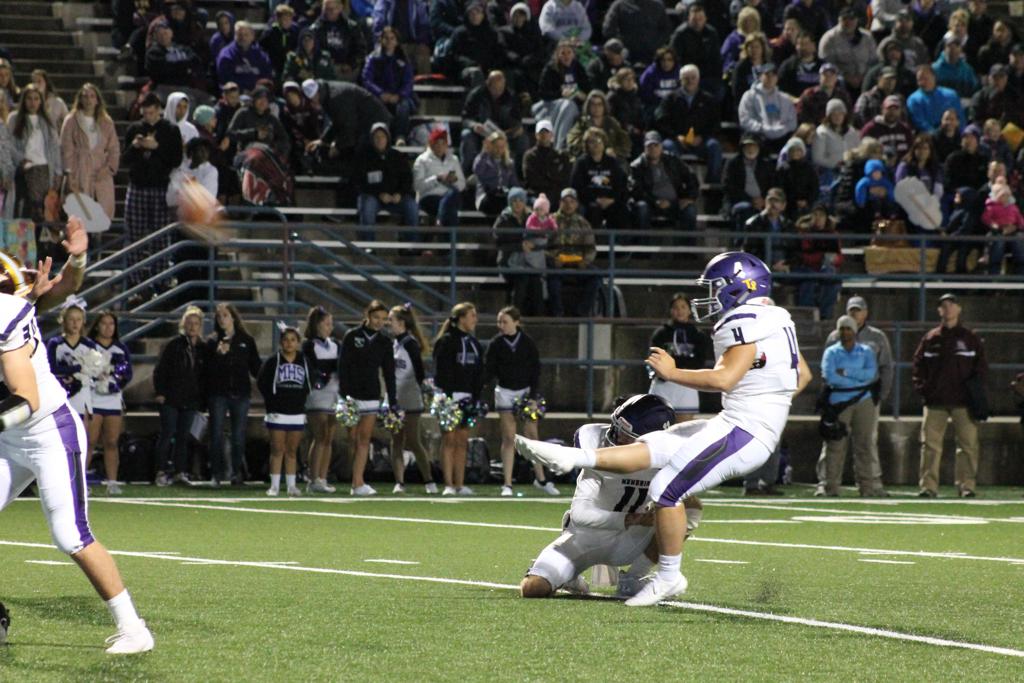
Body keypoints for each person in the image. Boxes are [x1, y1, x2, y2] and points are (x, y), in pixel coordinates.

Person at [517, 251, 812, 606]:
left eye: (715, 287)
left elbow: (724, 378)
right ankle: (572, 457)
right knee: (659, 443)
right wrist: (771, 402)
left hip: (744, 428)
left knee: (665, 489)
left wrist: (673, 373)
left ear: (738, 287)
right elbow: (802, 375)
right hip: (742, 421)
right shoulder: (775, 317)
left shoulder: (743, 319)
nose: (709, 296)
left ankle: (669, 576)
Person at [0, 262, 154, 654]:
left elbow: (27, 399)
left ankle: (133, 628)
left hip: (48, 431)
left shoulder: (4, 317)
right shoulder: (15, 306)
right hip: (9, 438)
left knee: (70, 534)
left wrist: (76, 265)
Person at [520, 395, 706, 599]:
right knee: (533, 588)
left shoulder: (670, 459)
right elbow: (580, 514)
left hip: (631, 541)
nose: (615, 437)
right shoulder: (597, 447)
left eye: (626, 435)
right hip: (585, 539)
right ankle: (569, 576)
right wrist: (630, 519)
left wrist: (655, 514)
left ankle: (634, 577)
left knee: (690, 506)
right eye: (617, 428)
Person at [815, 295, 893, 496]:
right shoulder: (833, 342)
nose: (855, 315)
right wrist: (854, 380)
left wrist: (878, 394)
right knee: (834, 442)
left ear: (865, 313)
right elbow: (829, 374)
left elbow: (876, 372)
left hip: (866, 399)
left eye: (858, 311)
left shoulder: (873, 341)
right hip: (838, 401)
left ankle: (870, 485)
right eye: (851, 311)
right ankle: (827, 484)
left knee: (866, 443)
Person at [912, 294, 987, 498]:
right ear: (939, 311)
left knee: (968, 445)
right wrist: (924, 389)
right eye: (944, 305)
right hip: (935, 401)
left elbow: (981, 368)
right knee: (930, 445)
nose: (948, 309)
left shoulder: (970, 338)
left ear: (959, 309)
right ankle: (928, 487)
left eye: (952, 305)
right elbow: (918, 366)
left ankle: (966, 486)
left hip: (963, 401)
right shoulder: (930, 338)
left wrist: (974, 393)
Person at [485, 306, 558, 496]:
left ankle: (541, 479)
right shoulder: (496, 343)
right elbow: (489, 371)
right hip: (504, 392)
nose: (501, 325)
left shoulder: (527, 342)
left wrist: (533, 397)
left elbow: (535, 371)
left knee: (532, 436)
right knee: (509, 438)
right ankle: (507, 484)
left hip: (525, 392)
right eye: (499, 321)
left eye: (505, 321)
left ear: (516, 322)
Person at [121, 93, 182, 297]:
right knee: (134, 236)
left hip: (160, 188)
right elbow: (125, 159)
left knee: (160, 238)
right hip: (137, 186)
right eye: (145, 113)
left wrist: (157, 147)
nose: (148, 116)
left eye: (151, 112)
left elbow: (176, 159)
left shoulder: (170, 130)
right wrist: (135, 146)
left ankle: (161, 281)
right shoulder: (134, 129)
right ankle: (135, 282)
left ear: (159, 110)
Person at [339, 300, 398, 496]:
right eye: (376, 317)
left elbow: (389, 372)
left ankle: (358, 482)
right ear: (367, 315)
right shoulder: (352, 336)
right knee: (353, 438)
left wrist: (392, 398)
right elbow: (343, 366)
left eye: (383, 319)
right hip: (351, 395)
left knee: (364, 439)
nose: (379, 322)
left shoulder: (385, 342)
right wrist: (343, 394)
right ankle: (353, 477)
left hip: (372, 394)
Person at [205, 303, 260, 486]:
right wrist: (219, 355)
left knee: (238, 435)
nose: (222, 319)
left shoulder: (246, 340)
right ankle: (216, 474)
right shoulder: (212, 341)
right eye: (219, 316)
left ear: (233, 318)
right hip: (218, 393)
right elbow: (207, 370)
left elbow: (256, 368)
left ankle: (237, 473)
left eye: (225, 315)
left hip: (240, 393)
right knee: (216, 434)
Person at [432, 302, 485, 495]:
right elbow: (441, 372)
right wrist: (447, 397)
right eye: (472, 316)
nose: (475, 320)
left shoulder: (474, 344)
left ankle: (460, 484)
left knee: (463, 441)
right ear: (461, 318)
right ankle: (448, 484)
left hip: (468, 397)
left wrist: (476, 397)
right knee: (449, 440)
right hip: (449, 397)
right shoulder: (446, 341)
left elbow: (479, 373)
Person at [153, 306, 207, 486]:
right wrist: (160, 392)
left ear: (200, 326)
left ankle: (180, 472)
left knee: (183, 437)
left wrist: (201, 400)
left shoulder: (202, 348)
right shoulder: (174, 345)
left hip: (190, 400)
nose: (192, 327)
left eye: (196, 323)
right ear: (183, 324)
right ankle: (160, 471)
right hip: (171, 398)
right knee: (167, 433)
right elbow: (160, 370)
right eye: (189, 323)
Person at [8, 85, 63, 258]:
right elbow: (9, 144)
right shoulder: (15, 119)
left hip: (44, 170)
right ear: (24, 100)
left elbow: (54, 148)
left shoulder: (47, 121)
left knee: (44, 212)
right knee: (26, 212)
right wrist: (20, 160)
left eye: (36, 99)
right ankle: (24, 254)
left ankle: (42, 253)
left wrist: (58, 172)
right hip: (24, 171)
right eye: (29, 99)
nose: (33, 102)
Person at [388, 304, 437, 494]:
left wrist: (423, 392)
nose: (389, 323)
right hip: (394, 398)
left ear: (401, 322)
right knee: (396, 441)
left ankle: (429, 481)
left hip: (410, 397)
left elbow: (419, 373)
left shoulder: (410, 344)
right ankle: (399, 482)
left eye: (391, 320)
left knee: (413, 440)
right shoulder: (394, 344)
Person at [257, 324, 311, 497]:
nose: (289, 343)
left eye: (293, 340)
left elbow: (310, 381)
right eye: (286, 340)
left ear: (298, 342)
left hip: (296, 411)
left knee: (292, 450)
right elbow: (261, 382)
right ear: (281, 342)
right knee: (277, 449)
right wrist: (272, 401)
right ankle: (274, 486)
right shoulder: (273, 361)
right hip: (277, 411)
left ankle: (291, 486)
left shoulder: (304, 360)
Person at [86, 311, 132, 496]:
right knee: (89, 441)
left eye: (111, 324)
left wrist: (115, 383)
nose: (108, 327)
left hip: (113, 400)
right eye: (104, 323)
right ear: (97, 326)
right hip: (92, 398)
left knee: (112, 442)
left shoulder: (121, 348)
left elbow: (128, 373)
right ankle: (81, 482)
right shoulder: (89, 346)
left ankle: (112, 482)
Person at [654, 65, 723, 183]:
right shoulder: (670, 99)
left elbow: (715, 123)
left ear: (698, 79)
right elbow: (660, 120)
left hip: (701, 141)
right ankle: (675, 183)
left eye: (693, 78)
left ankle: (713, 185)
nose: (690, 81)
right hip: (677, 141)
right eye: (686, 78)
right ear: (680, 80)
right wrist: (676, 136)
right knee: (667, 146)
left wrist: (702, 136)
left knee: (714, 146)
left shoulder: (708, 99)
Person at [60, 83, 119, 222]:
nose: (88, 100)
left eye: (92, 96)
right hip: (79, 169)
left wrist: (109, 168)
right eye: (85, 96)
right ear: (80, 99)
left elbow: (114, 148)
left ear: (97, 100)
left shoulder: (106, 122)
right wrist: (69, 173)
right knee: (80, 215)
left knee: (101, 212)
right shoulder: (71, 120)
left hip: (100, 171)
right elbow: (66, 148)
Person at [648, 294, 712, 420]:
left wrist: (673, 363)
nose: (680, 311)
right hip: (663, 384)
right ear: (671, 310)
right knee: (658, 426)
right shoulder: (661, 333)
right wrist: (682, 363)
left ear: (689, 310)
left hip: (687, 385)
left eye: (683, 307)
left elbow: (699, 362)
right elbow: (655, 359)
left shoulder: (698, 335)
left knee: (684, 427)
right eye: (676, 307)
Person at [353, 122, 418, 241]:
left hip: (396, 198)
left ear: (387, 138)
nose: (380, 140)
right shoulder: (363, 157)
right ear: (371, 139)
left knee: (411, 206)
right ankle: (368, 245)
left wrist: (400, 194)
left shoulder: (398, 156)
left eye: (382, 136)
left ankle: (412, 245)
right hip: (373, 196)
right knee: (367, 206)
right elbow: (359, 182)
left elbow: (407, 179)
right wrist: (379, 194)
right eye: (376, 137)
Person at [629, 131, 699, 236]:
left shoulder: (673, 160)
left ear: (661, 146)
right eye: (649, 146)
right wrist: (655, 202)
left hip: (674, 203)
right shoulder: (637, 166)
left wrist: (689, 198)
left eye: (656, 145)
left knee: (690, 210)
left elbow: (691, 178)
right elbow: (636, 191)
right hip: (651, 204)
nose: (653, 149)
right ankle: (643, 244)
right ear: (644, 148)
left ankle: (687, 246)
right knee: (642, 208)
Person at [301, 306, 340, 494]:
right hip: (317, 394)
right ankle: (313, 478)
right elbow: (311, 368)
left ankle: (323, 478)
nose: (330, 327)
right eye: (326, 324)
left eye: (331, 324)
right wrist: (325, 373)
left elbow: (342, 366)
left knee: (329, 437)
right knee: (320, 435)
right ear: (316, 324)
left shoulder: (336, 344)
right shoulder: (309, 345)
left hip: (334, 392)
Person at [546, 188, 600, 317]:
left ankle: (582, 313)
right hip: (557, 264)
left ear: (576, 204)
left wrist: (585, 261)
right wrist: (552, 259)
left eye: (572, 201)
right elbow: (541, 246)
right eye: (565, 201)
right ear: (560, 203)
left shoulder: (583, 223)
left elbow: (591, 248)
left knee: (596, 276)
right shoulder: (550, 221)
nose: (568, 205)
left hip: (578, 264)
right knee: (552, 278)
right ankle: (558, 313)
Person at [783, 204, 843, 319]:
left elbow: (839, 256)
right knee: (809, 281)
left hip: (824, 269)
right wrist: (821, 257)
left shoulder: (833, 235)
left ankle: (825, 316)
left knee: (833, 280)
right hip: (805, 268)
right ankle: (807, 317)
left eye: (821, 215)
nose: (818, 218)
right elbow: (802, 256)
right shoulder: (804, 233)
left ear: (826, 218)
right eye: (815, 215)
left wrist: (835, 259)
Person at [569, 127, 630, 235]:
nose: (596, 144)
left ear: (604, 142)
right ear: (586, 145)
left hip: (611, 200)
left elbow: (621, 184)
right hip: (589, 201)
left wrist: (612, 199)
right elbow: (577, 186)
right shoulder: (581, 163)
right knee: (593, 210)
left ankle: (619, 244)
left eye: (598, 140)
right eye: (592, 141)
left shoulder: (612, 162)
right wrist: (595, 199)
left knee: (622, 211)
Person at [362, 26, 417, 144]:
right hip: (379, 96)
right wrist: (380, 93)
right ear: (381, 40)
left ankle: (400, 136)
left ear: (396, 41)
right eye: (386, 38)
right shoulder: (373, 58)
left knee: (404, 105)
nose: (389, 41)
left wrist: (399, 95)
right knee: (375, 105)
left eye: (392, 38)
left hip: (399, 97)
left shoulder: (404, 59)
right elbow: (367, 80)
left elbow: (408, 82)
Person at [494, 187, 545, 314]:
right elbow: (500, 242)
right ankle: (514, 315)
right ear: (510, 203)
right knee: (522, 277)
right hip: (508, 261)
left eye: (520, 200)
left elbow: (542, 237)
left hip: (529, 261)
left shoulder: (532, 217)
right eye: (514, 201)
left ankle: (539, 318)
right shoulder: (503, 219)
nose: (517, 203)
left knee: (536, 280)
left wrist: (532, 244)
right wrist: (519, 245)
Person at [46, 299, 98, 422]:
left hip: (83, 395)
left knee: (82, 431)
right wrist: (78, 368)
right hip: (60, 394)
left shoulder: (88, 344)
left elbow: (94, 370)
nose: (75, 323)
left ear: (83, 321)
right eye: (71, 319)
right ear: (63, 320)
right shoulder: (55, 343)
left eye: (78, 319)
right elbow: (52, 369)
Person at [533, 40, 590, 150]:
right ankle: (560, 144)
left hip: (576, 103)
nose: (566, 56)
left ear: (573, 54)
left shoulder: (578, 67)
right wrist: (560, 94)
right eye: (563, 53)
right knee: (568, 106)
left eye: (569, 52)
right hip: (553, 105)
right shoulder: (551, 68)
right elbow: (543, 93)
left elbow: (587, 89)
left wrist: (580, 94)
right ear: (557, 54)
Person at [412, 127, 466, 234]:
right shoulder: (422, 160)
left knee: (453, 193)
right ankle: (450, 243)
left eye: (443, 143)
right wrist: (437, 179)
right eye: (437, 143)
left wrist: (453, 180)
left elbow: (462, 184)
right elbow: (417, 186)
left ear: (446, 145)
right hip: (429, 197)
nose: (440, 147)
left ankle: (440, 221)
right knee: (451, 212)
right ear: (431, 144)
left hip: (451, 197)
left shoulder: (453, 159)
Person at [738, 63, 797, 152]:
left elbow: (792, 122)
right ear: (760, 77)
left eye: (773, 75)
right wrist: (762, 128)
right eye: (767, 75)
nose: (770, 78)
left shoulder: (785, 98)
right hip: (758, 135)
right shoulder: (749, 96)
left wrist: (782, 129)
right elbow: (744, 120)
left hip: (782, 136)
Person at [670, 3, 723, 101]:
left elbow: (716, 58)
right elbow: (675, 59)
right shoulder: (680, 34)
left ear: (705, 18)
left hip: (707, 76)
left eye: (700, 19)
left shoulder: (711, 33)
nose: (698, 22)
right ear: (688, 19)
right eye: (694, 20)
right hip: (688, 75)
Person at [818, 7, 878, 93]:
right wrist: (847, 77)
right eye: (845, 19)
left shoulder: (867, 37)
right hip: (839, 79)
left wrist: (864, 76)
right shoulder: (829, 38)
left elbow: (873, 61)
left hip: (864, 78)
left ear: (857, 20)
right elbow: (827, 62)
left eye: (852, 19)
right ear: (839, 20)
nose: (848, 22)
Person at [723, 134, 774, 233]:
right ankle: (742, 240)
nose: (751, 149)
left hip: (764, 201)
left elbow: (773, 184)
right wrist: (751, 200)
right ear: (742, 148)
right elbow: (728, 187)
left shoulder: (767, 165)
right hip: (738, 200)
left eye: (754, 146)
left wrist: (764, 199)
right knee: (745, 208)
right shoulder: (733, 164)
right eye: (748, 146)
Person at [565, 90, 631, 162]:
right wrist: (590, 148)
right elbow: (572, 142)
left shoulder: (611, 122)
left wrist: (615, 151)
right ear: (588, 106)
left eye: (599, 104)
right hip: (587, 160)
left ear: (604, 106)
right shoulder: (582, 123)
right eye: (593, 104)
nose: (596, 108)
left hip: (609, 159)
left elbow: (625, 142)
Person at [310, 0, 368, 81]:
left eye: (332, 9)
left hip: (347, 68)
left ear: (340, 8)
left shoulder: (351, 27)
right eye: (326, 9)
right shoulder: (315, 28)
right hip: (324, 68)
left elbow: (361, 49)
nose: (328, 12)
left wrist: (351, 64)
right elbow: (311, 51)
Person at [601, 0, 670, 66]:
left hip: (652, 56)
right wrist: (621, 47)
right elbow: (608, 30)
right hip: (627, 57)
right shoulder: (619, 5)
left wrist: (655, 44)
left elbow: (666, 29)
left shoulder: (657, 5)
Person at [979, 175, 1024, 274]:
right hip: (998, 231)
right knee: (998, 243)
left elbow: (1020, 219)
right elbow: (986, 218)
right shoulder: (991, 207)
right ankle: (993, 270)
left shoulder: (1013, 207)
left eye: (1007, 195)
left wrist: (1018, 227)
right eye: (1003, 195)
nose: (1005, 198)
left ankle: (1020, 270)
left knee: (1019, 240)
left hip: (1013, 230)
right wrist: (996, 226)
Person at [522, 119, 572, 205]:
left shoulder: (561, 156)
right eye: (541, 132)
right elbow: (532, 179)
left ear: (552, 134)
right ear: (536, 135)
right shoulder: (530, 156)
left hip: (557, 195)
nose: (544, 135)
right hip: (537, 195)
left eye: (547, 132)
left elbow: (565, 178)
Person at [740, 186, 793, 265]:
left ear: (783, 205)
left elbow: (794, 251)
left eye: (776, 201)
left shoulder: (788, 224)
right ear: (765, 202)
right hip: (761, 267)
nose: (772, 204)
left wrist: (787, 264)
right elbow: (749, 251)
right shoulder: (753, 223)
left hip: (784, 267)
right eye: (770, 200)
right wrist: (770, 265)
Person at [215, 20, 274, 91]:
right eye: (239, 35)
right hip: (235, 92)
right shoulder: (226, 55)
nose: (243, 38)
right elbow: (225, 80)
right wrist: (250, 86)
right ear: (234, 36)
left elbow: (267, 77)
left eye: (246, 35)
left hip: (258, 92)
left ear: (252, 36)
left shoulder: (261, 55)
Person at [907, 65, 965, 135]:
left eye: (926, 78)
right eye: (919, 79)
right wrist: (936, 135)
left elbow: (960, 119)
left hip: (953, 136)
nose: (923, 82)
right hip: (928, 137)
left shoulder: (951, 95)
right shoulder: (913, 99)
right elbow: (920, 122)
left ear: (934, 77)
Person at [473, 130, 520, 215]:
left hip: (503, 196)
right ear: (491, 146)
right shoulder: (483, 159)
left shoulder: (509, 163)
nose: (499, 150)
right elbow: (478, 171)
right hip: (486, 196)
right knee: (496, 201)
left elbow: (514, 183)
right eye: (496, 147)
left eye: (502, 147)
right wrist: (484, 152)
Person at [779, 32, 824, 98]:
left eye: (805, 44)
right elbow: (781, 90)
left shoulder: (823, 66)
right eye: (799, 44)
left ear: (813, 45)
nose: (801, 47)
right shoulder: (788, 66)